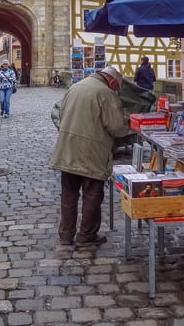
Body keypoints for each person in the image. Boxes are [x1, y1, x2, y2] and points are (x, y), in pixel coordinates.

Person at [48, 65, 132, 246]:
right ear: (111, 81)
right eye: (116, 87)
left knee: (69, 194)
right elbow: (117, 128)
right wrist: (127, 122)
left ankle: (66, 233)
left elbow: (61, 114)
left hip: (67, 148)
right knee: (92, 193)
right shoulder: (106, 93)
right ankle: (86, 234)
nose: (115, 90)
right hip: (92, 151)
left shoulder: (76, 87)